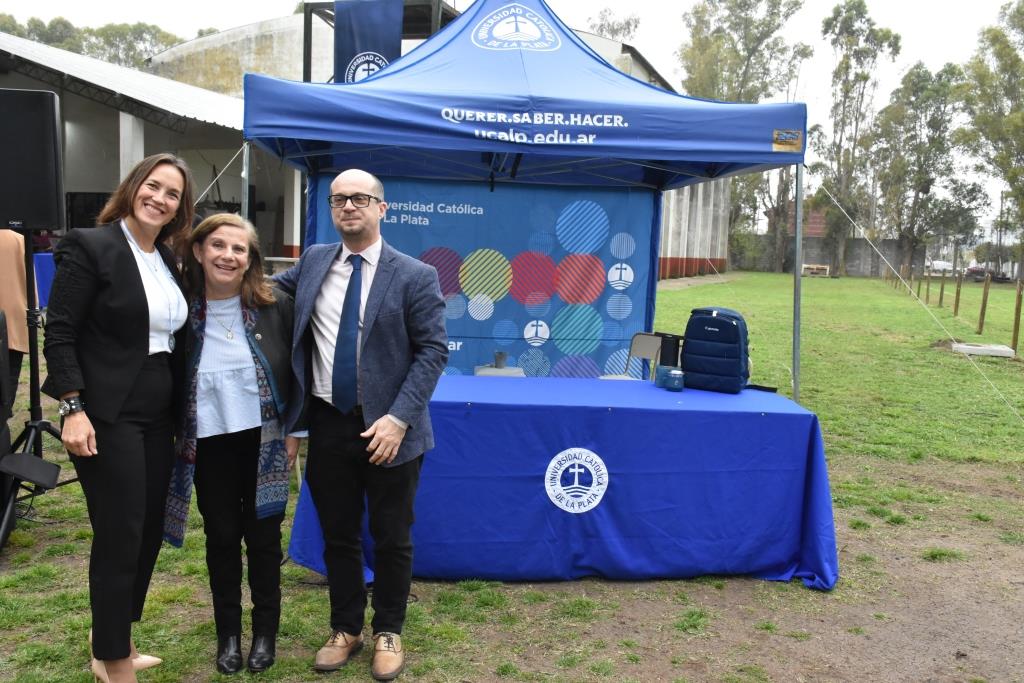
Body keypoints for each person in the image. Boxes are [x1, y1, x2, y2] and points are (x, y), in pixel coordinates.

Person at [274, 169, 447, 681]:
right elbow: (259, 293)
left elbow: (433, 351)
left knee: (392, 535)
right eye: (339, 199)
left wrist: (397, 419)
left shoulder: (415, 275)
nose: (348, 206)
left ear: (381, 208)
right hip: (328, 424)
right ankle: (345, 627)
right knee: (338, 534)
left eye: (360, 198)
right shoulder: (311, 263)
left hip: (392, 428)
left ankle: (388, 630)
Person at [42, 153, 195, 683]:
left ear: (180, 207)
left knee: (150, 527)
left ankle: (116, 635)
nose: (160, 199)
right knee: (121, 530)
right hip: (106, 415)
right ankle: (111, 660)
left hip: (159, 415)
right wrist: (72, 409)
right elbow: (59, 331)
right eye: (153, 186)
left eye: (172, 194)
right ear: (133, 187)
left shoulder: (168, 259)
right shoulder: (93, 246)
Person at [163, 213, 303, 675]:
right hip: (207, 444)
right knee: (222, 539)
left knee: (263, 540)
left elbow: (298, 369)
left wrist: (293, 433)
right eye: (218, 245)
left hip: (264, 442)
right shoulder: (180, 310)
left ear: (251, 259)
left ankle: (265, 634)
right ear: (199, 252)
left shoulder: (275, 304)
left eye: (239, 249)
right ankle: (228, 636)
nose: (228, 255)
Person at [0, 229, 29, 418]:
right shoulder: (17, 239)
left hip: (10, 329)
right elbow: (30, 287)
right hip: (12, 329)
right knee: (4, 399)